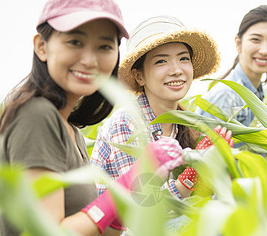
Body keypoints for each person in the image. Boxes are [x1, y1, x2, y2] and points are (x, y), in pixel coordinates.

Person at [0, 1, 186, 236]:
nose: (90, 59)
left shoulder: (70, 130)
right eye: (75, 41)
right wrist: (126, 184)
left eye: (104, 46)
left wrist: (132, 195)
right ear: (42, 46)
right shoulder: (36, 116)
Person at [91, 15, 234, 219]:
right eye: (161, 61)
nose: (176, 70)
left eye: (183, 58)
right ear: (139, 76)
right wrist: (189, 180)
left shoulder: (181, 124)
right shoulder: (127, 125)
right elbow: (141, 219)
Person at [196, 5, 267, 127]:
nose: (265, 51)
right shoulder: (227, 96)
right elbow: (204, 145)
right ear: (238, 43)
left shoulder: (254, 91)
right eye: (256, 39)